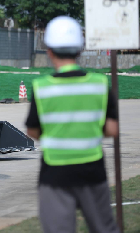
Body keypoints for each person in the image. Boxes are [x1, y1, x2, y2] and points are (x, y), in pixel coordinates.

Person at [25, 16, 119, 233]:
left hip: (54, 172)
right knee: (105, 228)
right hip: (92, 170)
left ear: (48, 50)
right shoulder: (100, 84)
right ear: (80, 49)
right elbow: (112, 129)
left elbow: (33, 131)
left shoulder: (42, 87)